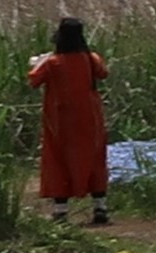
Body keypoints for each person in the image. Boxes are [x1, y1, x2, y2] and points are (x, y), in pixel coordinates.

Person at [29, 16, 111, 226]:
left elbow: (34, 80)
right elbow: (103, 73)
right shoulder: (91, 58)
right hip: (91, 119)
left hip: (61, 121)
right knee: (94, 159)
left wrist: (37, 62)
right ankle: (100, 207)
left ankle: (60, 211)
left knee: (58, 160)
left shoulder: (53, 62)